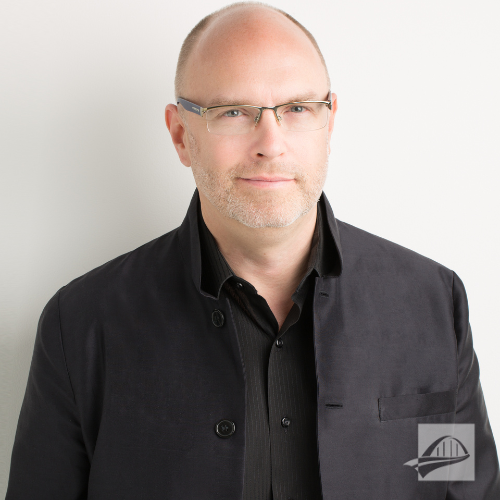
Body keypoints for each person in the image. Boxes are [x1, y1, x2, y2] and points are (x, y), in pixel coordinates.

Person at [6, 2, 500, 499]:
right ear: (181, 135)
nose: (271, 143)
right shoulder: (82, 325)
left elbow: (458, 488)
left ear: (329, 122)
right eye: (234, 112)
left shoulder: (431, 305)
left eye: (298, 109)